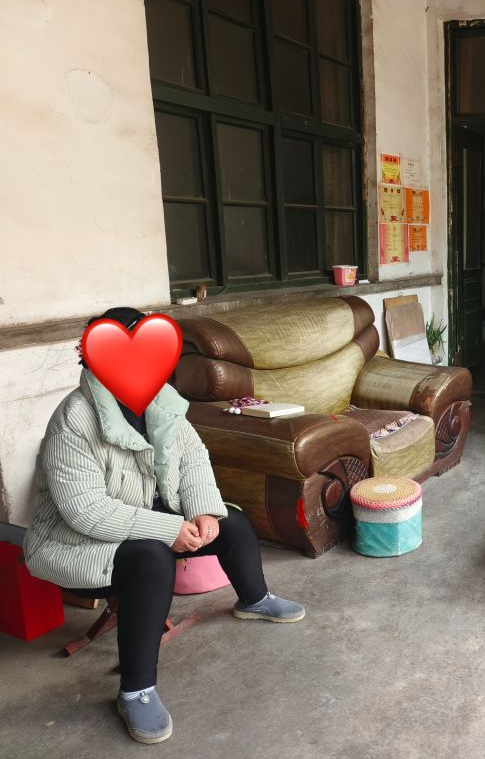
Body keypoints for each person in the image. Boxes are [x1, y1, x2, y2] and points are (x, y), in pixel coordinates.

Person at [23, 307, 305, 745]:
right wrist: (165, 529)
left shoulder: (162, 401)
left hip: (145, 518)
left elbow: (193, 459)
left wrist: (204, 511)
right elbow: (84, 511)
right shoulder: (74, 419)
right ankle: (136, 691)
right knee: (151, 559)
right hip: (74, 541)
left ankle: (254, 599)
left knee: (230, 521)